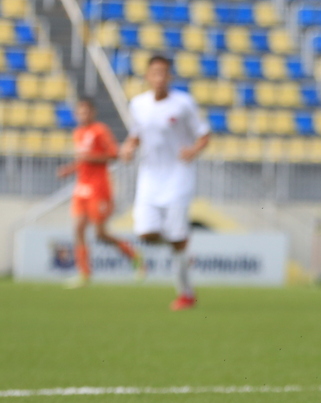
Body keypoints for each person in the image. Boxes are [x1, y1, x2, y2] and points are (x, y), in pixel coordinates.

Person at [120, 55, 211, 311]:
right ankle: (179, 245)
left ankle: (186, 294)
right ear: (148, 76)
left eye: (164, 72)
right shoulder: (138, 104)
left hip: (178, 177)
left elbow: (204, 134)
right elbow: (136, 135)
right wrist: (128, 148)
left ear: (169, 76)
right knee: (145, 232)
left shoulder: (183, 104)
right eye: (155, 72)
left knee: (176, 235)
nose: (159, 77)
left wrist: (193, 150)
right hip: (149, 177)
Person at [56, 97, 142, 286]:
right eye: (80, 112)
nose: (83, 115)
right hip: (82, 188)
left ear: (92, 113)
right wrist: (69, 169)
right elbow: (82, 161)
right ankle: (84, 274)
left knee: (101, 234)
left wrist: (90, 157)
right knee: (78, 228)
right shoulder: (78, 132)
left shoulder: (100, 130)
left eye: (86, 112)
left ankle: (135, 257)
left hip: (99, 188)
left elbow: (114, 154)